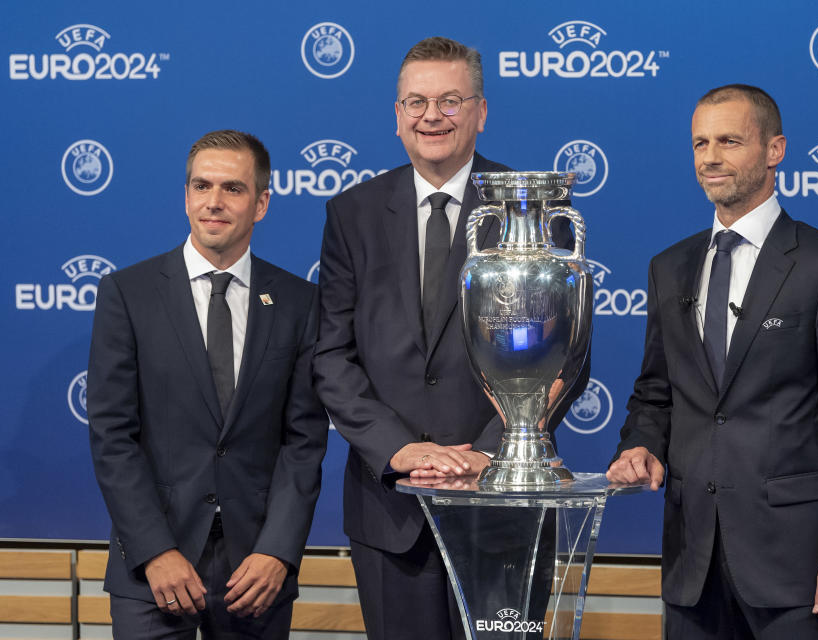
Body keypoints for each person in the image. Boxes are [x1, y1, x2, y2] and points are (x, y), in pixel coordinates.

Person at [313, 37, 584, 640]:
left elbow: (569, 354)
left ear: (481, 113)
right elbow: (332, 357)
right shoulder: (351, 213)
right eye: (416, 101)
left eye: (450, 100)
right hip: (390, 509)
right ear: (397, 114)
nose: (431, 115)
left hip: (505, 503)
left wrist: (490, 452)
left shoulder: (533, 202)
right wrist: (401, 451)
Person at [606, 85, 818, 639]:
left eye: (730, 141)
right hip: (693, 565)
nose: (710, 157)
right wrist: (638, 444)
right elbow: (657, 392)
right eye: (700, 143)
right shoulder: (670, 266)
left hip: (800, 570)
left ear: (775, 149)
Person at [88, 129, 328, 638]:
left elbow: (303, 443)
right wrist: (154, 551)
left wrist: (277, 552)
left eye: (233, 189)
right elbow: (112, 438)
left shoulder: (299, 302)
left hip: (255, 573)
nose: (213, 203)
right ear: (186, 195)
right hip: (153, 568)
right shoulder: (127, 294)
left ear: (261, 203)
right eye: (201, 186)